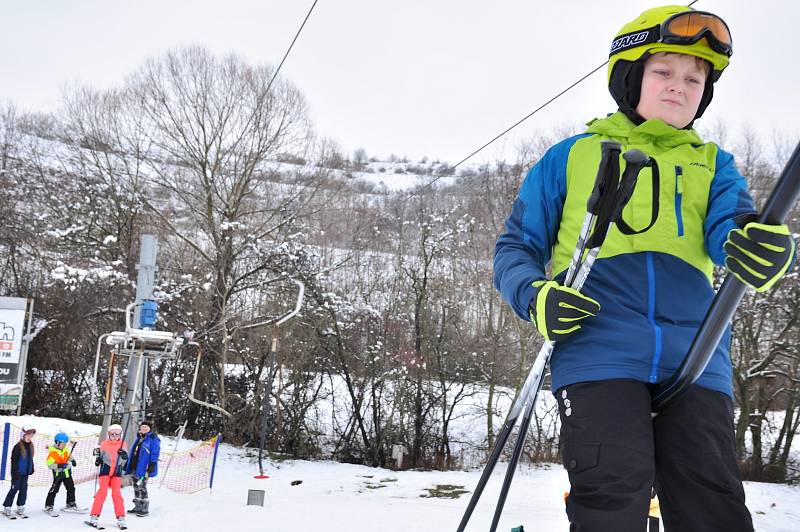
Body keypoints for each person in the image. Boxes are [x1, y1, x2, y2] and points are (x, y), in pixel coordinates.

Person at [493, 6, 795, 532]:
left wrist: (761, 251)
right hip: (599, 349)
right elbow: (515, 248)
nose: (680, 87)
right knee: (613, 488)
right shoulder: (571, 156)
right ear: (630, 76)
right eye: (663, 72)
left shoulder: (715, 164)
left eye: (694, 79)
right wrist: (537, 296)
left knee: (714, 502)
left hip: (697, 358)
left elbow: (735, 230)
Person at [89, 424, 129, 529]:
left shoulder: (123, 443)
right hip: (105, 471)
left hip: (116, 472)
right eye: (112, 434)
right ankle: (94, 516)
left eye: (117, 434)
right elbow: (100, 455)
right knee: (102, 492)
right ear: (109, 434)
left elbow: (125, 457)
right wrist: (98, 460)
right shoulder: (104, 444)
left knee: (116, 494)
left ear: (121, 434)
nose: (114, 436)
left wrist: (123, 455)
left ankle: (121, 518)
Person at [125, 419, 161, 516]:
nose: (144, 428)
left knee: (142, 486)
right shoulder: (139, 437)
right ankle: (137, 506)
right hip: (135, 466)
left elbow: (155, 452)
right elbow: (134, 452)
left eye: (146, 427)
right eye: (142, 427)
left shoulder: (153, 438)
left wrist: (153, 463)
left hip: (145, 467)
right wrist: (128, 463)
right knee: (136, 485)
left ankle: (144, 508)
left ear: (149, 429)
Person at [2, 425, 35, 518]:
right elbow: (14, 461)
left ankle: (20, 507)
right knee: (14, 489)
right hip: (17, 473)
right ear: (23, 435)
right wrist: (15, 473)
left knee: (23, 490)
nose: (29, 437)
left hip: (25, 473)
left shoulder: (30, 446)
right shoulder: (18, 447)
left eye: (31, 435)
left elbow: (30, 459)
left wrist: (31, 468)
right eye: (28, 435)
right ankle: (7, 507)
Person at [44, 432, 80, 514]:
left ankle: (71, 503)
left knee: (71, 488)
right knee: (54, 489)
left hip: (67, 473)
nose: (64, 445)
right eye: (63, 443)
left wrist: (73, 460)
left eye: (65, 443)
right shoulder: (53, 453)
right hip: (58, 474)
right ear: (57, 443)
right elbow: (50, 465)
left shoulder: (65, 450)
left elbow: (68, 455)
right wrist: (59, 465)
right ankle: (49, 505)